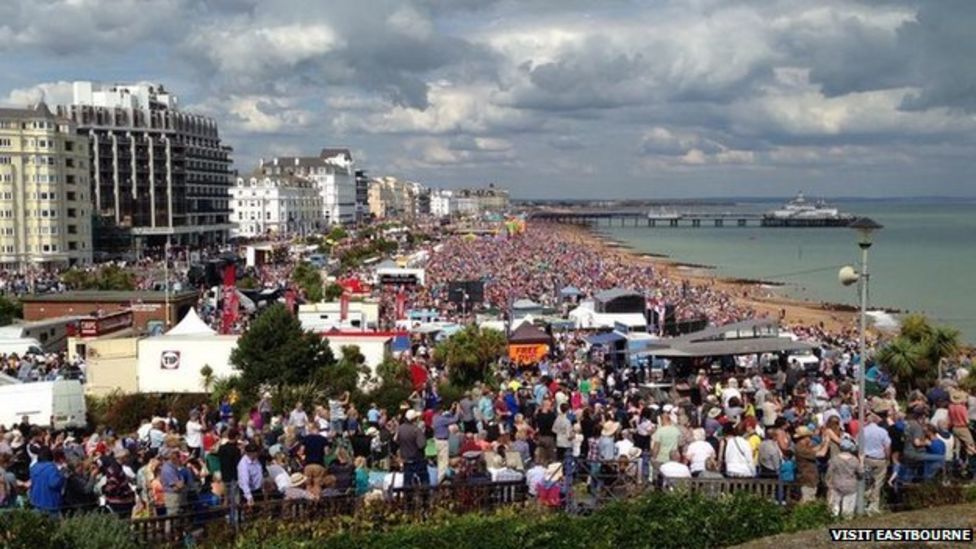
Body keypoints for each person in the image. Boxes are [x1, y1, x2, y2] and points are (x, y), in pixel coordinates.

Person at [861, 411, 891, 514]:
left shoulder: (863, 431)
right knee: (877, 483)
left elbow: (857, 445)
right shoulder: (882, 431)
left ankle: (865, 504)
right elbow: (887, 446)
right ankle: (874, 506)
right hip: (879, 459)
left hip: (866, 459)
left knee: (867, 482)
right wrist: (887, 459)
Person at [826, 435, 862, 518]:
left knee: (835, 506)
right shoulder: (854, 460)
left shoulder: (834, 459)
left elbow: (829, 472)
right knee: (848, 507)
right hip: (851, 485)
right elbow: (860, 472)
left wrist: (828, 483)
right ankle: (847, 519)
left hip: (837, 484)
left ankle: (834, 519)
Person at [396, 410, 428, 486]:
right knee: (424, 477)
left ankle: (407, 495)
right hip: (417, 458)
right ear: (414, 419)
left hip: (405, 459)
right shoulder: (416, 430)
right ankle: (425, 494)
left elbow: (396, 440)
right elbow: (422, 445)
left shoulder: (400, 429)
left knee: (407, 479)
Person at [432, 402, 458, 482]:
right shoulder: (441, 419)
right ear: (440, 410)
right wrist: (457, 411)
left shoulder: (435, 418)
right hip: (443, 442)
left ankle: (439, 478)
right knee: (443, 462)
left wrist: (452, 409)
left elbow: (446, 416)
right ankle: (440, 481)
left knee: (439, 461)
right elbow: (454, 420)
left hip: (437, 441)